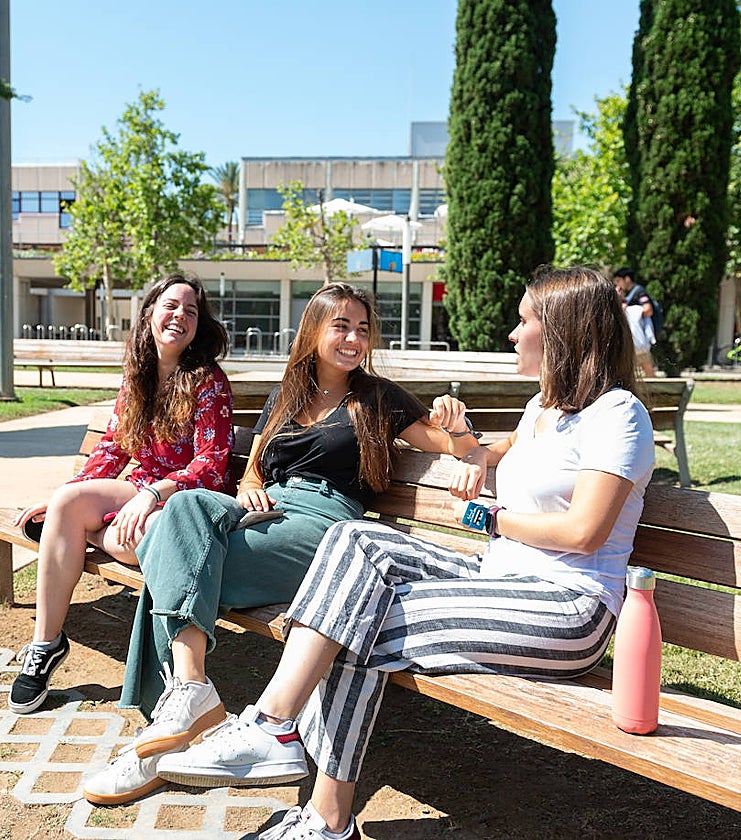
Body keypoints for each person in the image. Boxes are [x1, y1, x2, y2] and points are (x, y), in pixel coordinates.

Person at [155, 266, 656, 840]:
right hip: (498, 575)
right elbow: (487, 453)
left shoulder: (618, 414)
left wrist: (490, 516)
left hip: (567, 607)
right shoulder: (542, 408)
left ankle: (309, 791)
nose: (513, 335)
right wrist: (466, 441)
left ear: (565, 332)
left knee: (355, 624)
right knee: (354, 544)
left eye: (524, 322)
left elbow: (584, 532)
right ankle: (281, 740)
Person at [81, 282, 475, 806]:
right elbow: (254, 468)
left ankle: (158, 740)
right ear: (313, 331)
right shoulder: (288, 395)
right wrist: (251, 489)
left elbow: (452, 445)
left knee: (171, 562)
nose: (353, 338)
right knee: (180, 510)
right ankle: (189, 689)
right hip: (267, 511)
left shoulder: (380, 398)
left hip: (327, 528)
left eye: (362, 328)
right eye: (341, 326)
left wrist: (461, 429)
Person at [9, 274, 235, 718]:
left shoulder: (208, 381)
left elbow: (212, 463)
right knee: (68, 507)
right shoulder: (139, 375)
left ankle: (82, 534)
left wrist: (152, 493)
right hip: (141, 491)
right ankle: (46, 643)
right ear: (149, 312)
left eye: (191, 312)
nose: (180, 317)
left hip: (184, 503)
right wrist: (64, 497)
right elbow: (113, 446)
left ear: (198, 326)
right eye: (171, 306)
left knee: (139, 538)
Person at [613, 267, 655, 377]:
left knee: (648, 370)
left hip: (639, 340)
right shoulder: (628, 293)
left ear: (627, 279)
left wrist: (631, 309)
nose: (618, 285)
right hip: (632, 340)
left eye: (618, 281)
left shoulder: (639, 291)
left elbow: (648, 310)